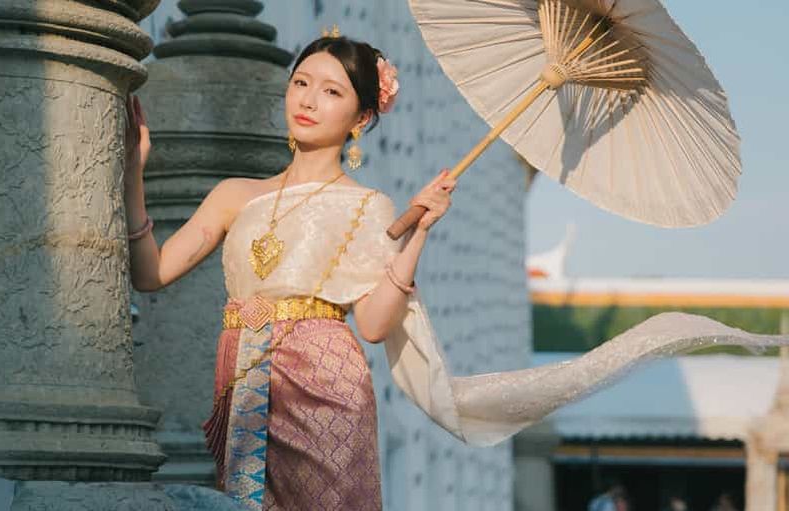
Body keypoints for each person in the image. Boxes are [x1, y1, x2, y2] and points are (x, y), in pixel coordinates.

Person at [124, 31, 789, 511]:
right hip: (243, 378)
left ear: (360, 118)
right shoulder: (234, 196)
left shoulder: (370, 208)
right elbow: (151, 272)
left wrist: (420, 232)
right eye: (301, 82)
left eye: (331, 91)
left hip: (326, 385)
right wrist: (135, 166)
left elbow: (379, 321)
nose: (308, 99)